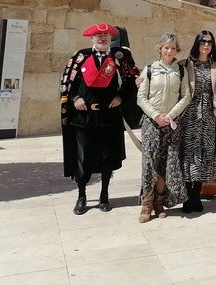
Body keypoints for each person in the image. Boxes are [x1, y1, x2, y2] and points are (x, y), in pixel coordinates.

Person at [60, 23, 139, 215]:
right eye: (98, 35)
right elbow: (68, 83)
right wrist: (75, 98)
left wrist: (120, 97)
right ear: (91, 38)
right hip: (83, 118)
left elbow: (131, 81)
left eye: (106, 35)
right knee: (83, 158)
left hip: (108, 117)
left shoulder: (118, 58)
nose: (102, 39)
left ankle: (104, 196)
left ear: (111, 38)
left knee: (107, 159)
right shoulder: (81, 56)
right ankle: (82, 196)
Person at [136, 33, 192, 222]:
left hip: (172, 122)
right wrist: (156, 116)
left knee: (167, 163)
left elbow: (186, 96)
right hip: (152, 123)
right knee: (149, 164)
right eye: (166, 47)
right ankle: (146, 204)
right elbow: (141, 97)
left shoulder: (181, 71)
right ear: (160, 49)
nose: (169, 51)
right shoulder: (149, 70)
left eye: (173, 48)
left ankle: (159, 202)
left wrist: (171, 115)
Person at [178, 30, 216, 213]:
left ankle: (196, 195)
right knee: (189, 153)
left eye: (210, 42)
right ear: (197, 43)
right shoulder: (186, 63)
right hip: (189, 114)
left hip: (207, 115)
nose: (206, 45)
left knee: (205, 153)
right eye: (203, 42)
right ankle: (187, 197)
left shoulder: (215, 65)